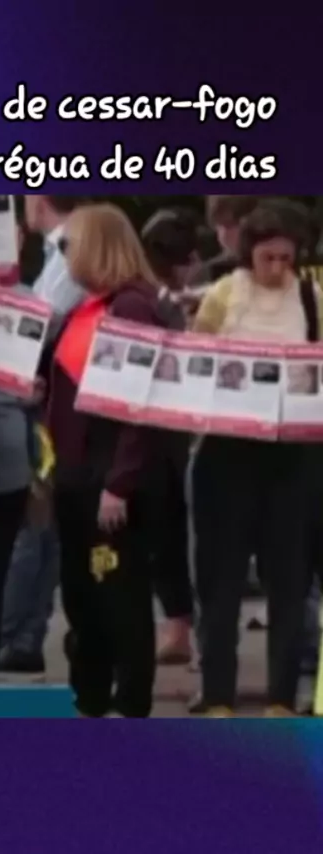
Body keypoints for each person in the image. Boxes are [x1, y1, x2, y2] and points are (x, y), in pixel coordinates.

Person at [43, 202, 179, 717]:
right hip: (79, 474)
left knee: (117, 596)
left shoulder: (130, 308)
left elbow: (136, 404)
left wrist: (119, 484)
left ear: (95, 247)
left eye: (69, 245)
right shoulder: (92, 308)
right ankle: (93, 697)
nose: (64, 255)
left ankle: (128, 704)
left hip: (110, 481)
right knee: (85, 596)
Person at [190, 200, 323, 717]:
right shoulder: (224, 294)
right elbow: (196, 357)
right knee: (220, 580)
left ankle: (281, 697)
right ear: (250, 253)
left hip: (291, 455)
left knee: (289, 580)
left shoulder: (310, 297)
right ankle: (218, 693)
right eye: (268, 258)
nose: (277, 268)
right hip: (227, 450)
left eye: (287, 258)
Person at [0, 196, 87, 679]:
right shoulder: (61, 252)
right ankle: (23, 636)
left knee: (32, 524)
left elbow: (40, 322)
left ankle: (13, 634)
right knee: (41, 526)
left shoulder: (71, 250)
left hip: (45, 402)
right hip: (49, 399)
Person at [140, 210, 197, 667]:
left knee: (171, 535)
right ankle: (179, 628)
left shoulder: (155, 300)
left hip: (167, 429)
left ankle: (179, 628)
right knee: (173, 534)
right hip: (170, 429)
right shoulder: (158, 302)